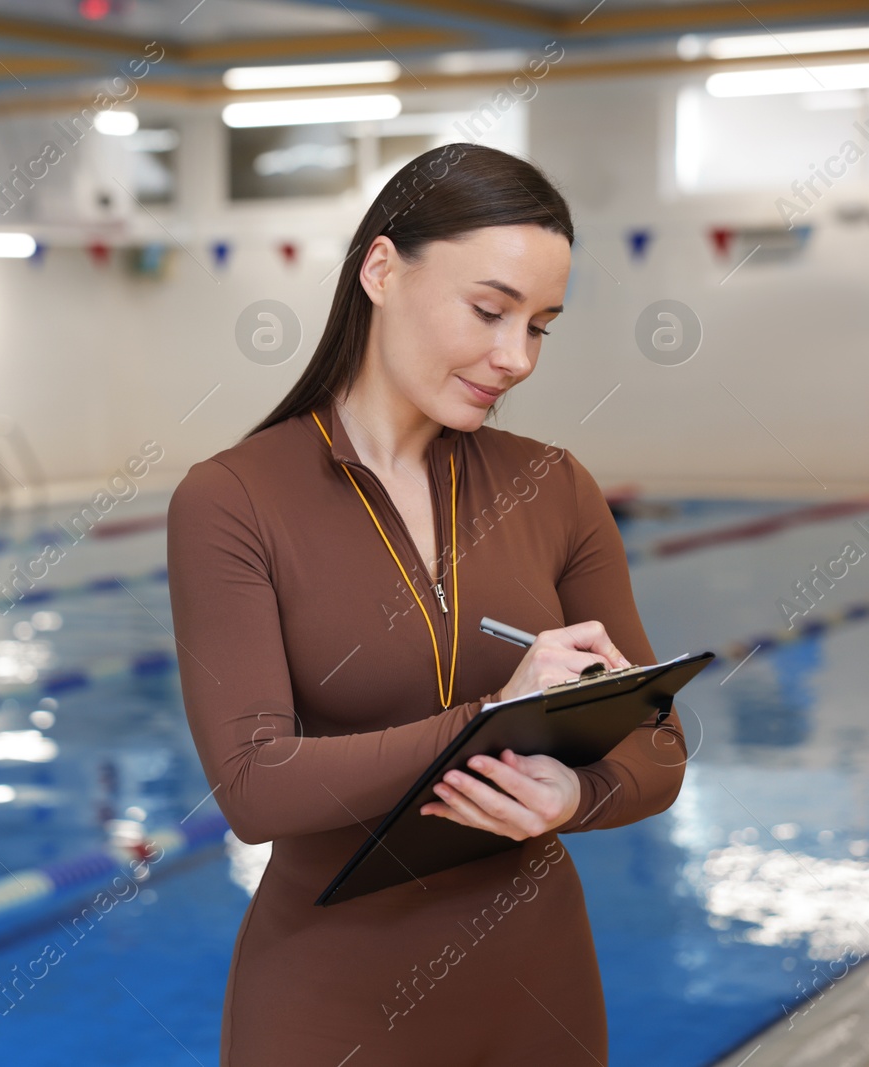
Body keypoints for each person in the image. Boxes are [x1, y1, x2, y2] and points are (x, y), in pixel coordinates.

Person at [165, 142, 687, 1066]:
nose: (515, 356)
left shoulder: (553, 485)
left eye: (540, 326)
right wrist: (490, 720)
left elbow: (660, 742)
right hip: (330, 995)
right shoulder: (234, 499)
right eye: (489, 310)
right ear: (380, 268)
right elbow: (252, 783)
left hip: (538, 988)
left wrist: (576, 791)